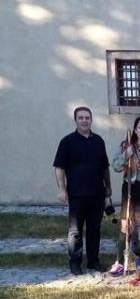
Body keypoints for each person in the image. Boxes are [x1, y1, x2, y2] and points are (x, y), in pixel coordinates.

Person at [53, 106, 111, 274]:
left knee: (94, 230)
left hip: (97, 194)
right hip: (77, 195)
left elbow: (105, 167)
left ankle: (93, 261)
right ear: (76, 120)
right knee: (75, 232)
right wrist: (61, 189)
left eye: (87, 117)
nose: (84, 120)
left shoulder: (98, 141)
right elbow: (59, 167)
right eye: (81, 118)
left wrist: (108, 187)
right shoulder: (67, 142)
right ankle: (75, 263)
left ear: (91, 120)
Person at [111, 115, 140, 274]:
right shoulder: (126, 146)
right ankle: (119, 261)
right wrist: (127, 154)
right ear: (136, 129)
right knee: (126, 224)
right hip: (131, 188)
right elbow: (116, 166)